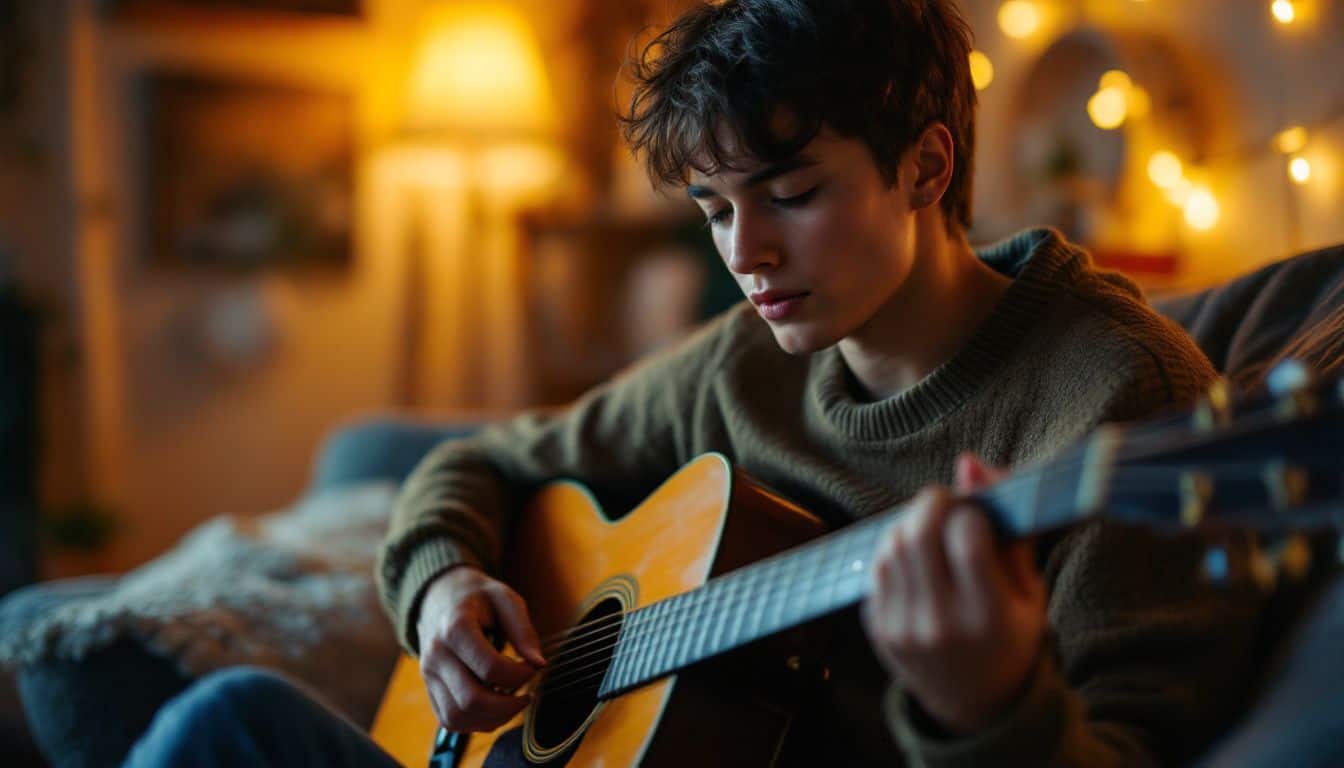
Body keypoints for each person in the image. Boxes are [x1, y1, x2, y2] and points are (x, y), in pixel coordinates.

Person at [124, 0, 1266, 765]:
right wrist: (437, 592)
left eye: (791, 193)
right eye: (715, 209)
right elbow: (481, 461)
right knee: (230, 724)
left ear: (927, 164)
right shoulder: (743, 362)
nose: (745, 256)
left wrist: (991, 706)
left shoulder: (1124, 399)